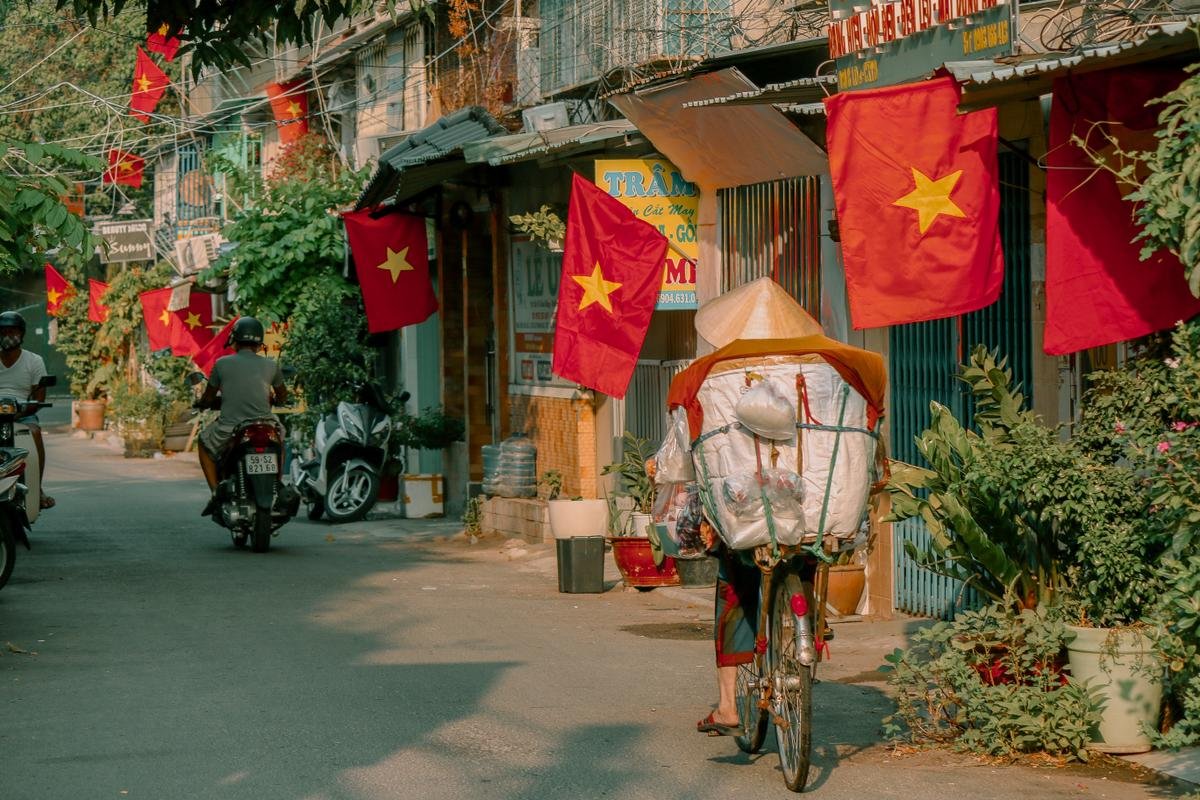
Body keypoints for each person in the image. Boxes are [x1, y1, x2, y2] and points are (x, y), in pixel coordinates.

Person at [196, 317, 286, 516]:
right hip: (266, 424)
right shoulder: (271, 365)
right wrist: (276, 400)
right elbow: (282, 395)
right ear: (259, 341)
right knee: (280, 439)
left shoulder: (221, 364)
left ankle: (214, 492)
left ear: (234, 339)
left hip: (231, 427)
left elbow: (209, 397)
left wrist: (203, 404)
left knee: (203, 442)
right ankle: (277, 482)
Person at [0, 310, 53, 509]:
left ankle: (37, 489)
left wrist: (21, 411)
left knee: (35, 432)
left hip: (22, 414)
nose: (7, 336)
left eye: (12, 331)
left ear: (21, 334)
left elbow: (39, 398)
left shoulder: (34, 361)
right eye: (3, 332)